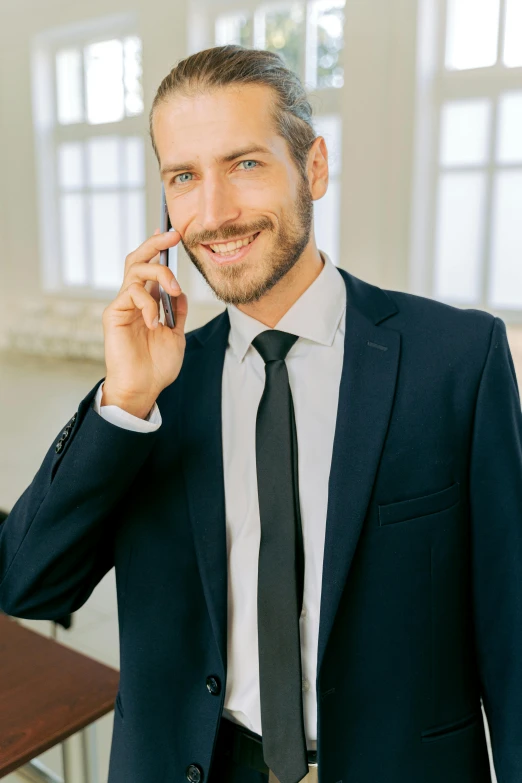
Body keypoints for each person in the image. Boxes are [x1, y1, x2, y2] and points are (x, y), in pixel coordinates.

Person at [1, 44, 521, 783]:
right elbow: (27, 585)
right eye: (184, 177)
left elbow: (514, 632)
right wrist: (123, 403)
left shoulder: (458, 359)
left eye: (245, 163)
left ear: (312, 167)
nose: (214, 213)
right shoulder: (157, 388)